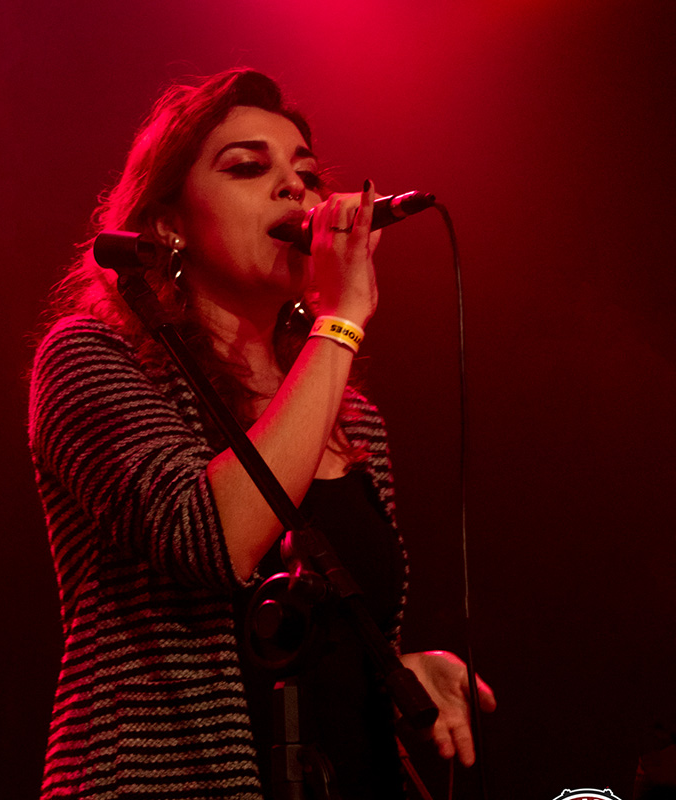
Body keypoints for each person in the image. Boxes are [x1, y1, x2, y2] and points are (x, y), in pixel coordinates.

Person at [29, 68, 496, 800]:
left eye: (306, 175)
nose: (295, 191)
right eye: (248, 168)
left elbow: (298, 641)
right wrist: (340, 319)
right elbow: (212, 540)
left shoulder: (352, 418)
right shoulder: (89, 359)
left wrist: (395, 669)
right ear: (169, 222)